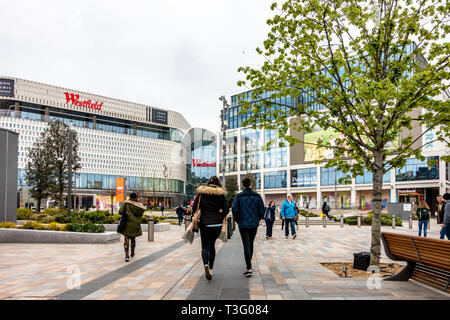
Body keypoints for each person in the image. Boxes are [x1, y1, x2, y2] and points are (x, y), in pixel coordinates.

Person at [192, 176, 229, 280]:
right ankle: (211, 268)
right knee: (212, 245)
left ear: (208, 183)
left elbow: (194, 208)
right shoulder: (221, 194)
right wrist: (220, 216)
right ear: (218, 184)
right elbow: (226, 209)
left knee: (205, 246)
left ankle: (205, 264)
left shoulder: (202, 193)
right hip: (217, 224)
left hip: (205, 223)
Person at [232, 176, 265, 277]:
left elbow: (234, 210)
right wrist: (257, 219)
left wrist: (238, 221)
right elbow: (262, 210)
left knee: (246, 245)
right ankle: (249, 266)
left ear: (242, 185)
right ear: (251, 184)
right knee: (250, 244)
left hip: (243, 224)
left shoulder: (238, 196)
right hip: (253, 224)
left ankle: (249, 267)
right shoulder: (257, 196)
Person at [118, 192, 146, 262]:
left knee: (126, 240)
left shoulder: (126, 204)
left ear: (130, 197)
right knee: (133, 239)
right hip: (135, 224)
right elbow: (141, 213)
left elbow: (120, 211)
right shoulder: (140, 206)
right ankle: (132, 253)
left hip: (127, 224)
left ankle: (127, 256)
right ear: (136, 198)